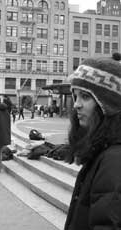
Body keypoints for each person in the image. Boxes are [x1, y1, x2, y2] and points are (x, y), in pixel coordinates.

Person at [64, 54, 121, 230]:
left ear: (108, 104)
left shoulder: (113, 159)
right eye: (75, 96)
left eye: (85, 97)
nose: (76, 105)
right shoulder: (103, 149)